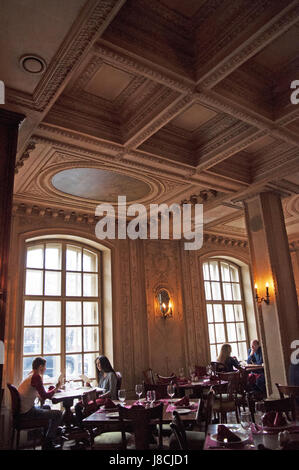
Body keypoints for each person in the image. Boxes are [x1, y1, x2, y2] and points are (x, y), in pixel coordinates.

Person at [18, 357, 62, 450]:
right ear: (41, 366)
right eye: (45, 367)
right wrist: (57, 387)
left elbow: (39, 394)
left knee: (47, 407)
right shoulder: (36, 377)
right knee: (58, 414)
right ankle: (48, 441)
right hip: (27, 412)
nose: (45, 369)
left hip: (23, 410)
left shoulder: (30, 375)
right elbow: (45, 396)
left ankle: (45, 439)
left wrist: (46, 394)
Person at [75, 355, 117, 426]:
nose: (98, 366)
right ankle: (81, 426)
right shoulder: (101, 374)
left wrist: (101, 396)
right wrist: (90, 387)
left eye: (99, 363)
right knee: (78, 405)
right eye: (96, 364)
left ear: (104, 364)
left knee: (85, 405)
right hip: (100, 398)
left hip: (107, 399)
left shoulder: (111, 375)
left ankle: (86, 426)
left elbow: (112, 392)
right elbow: (99, 389)